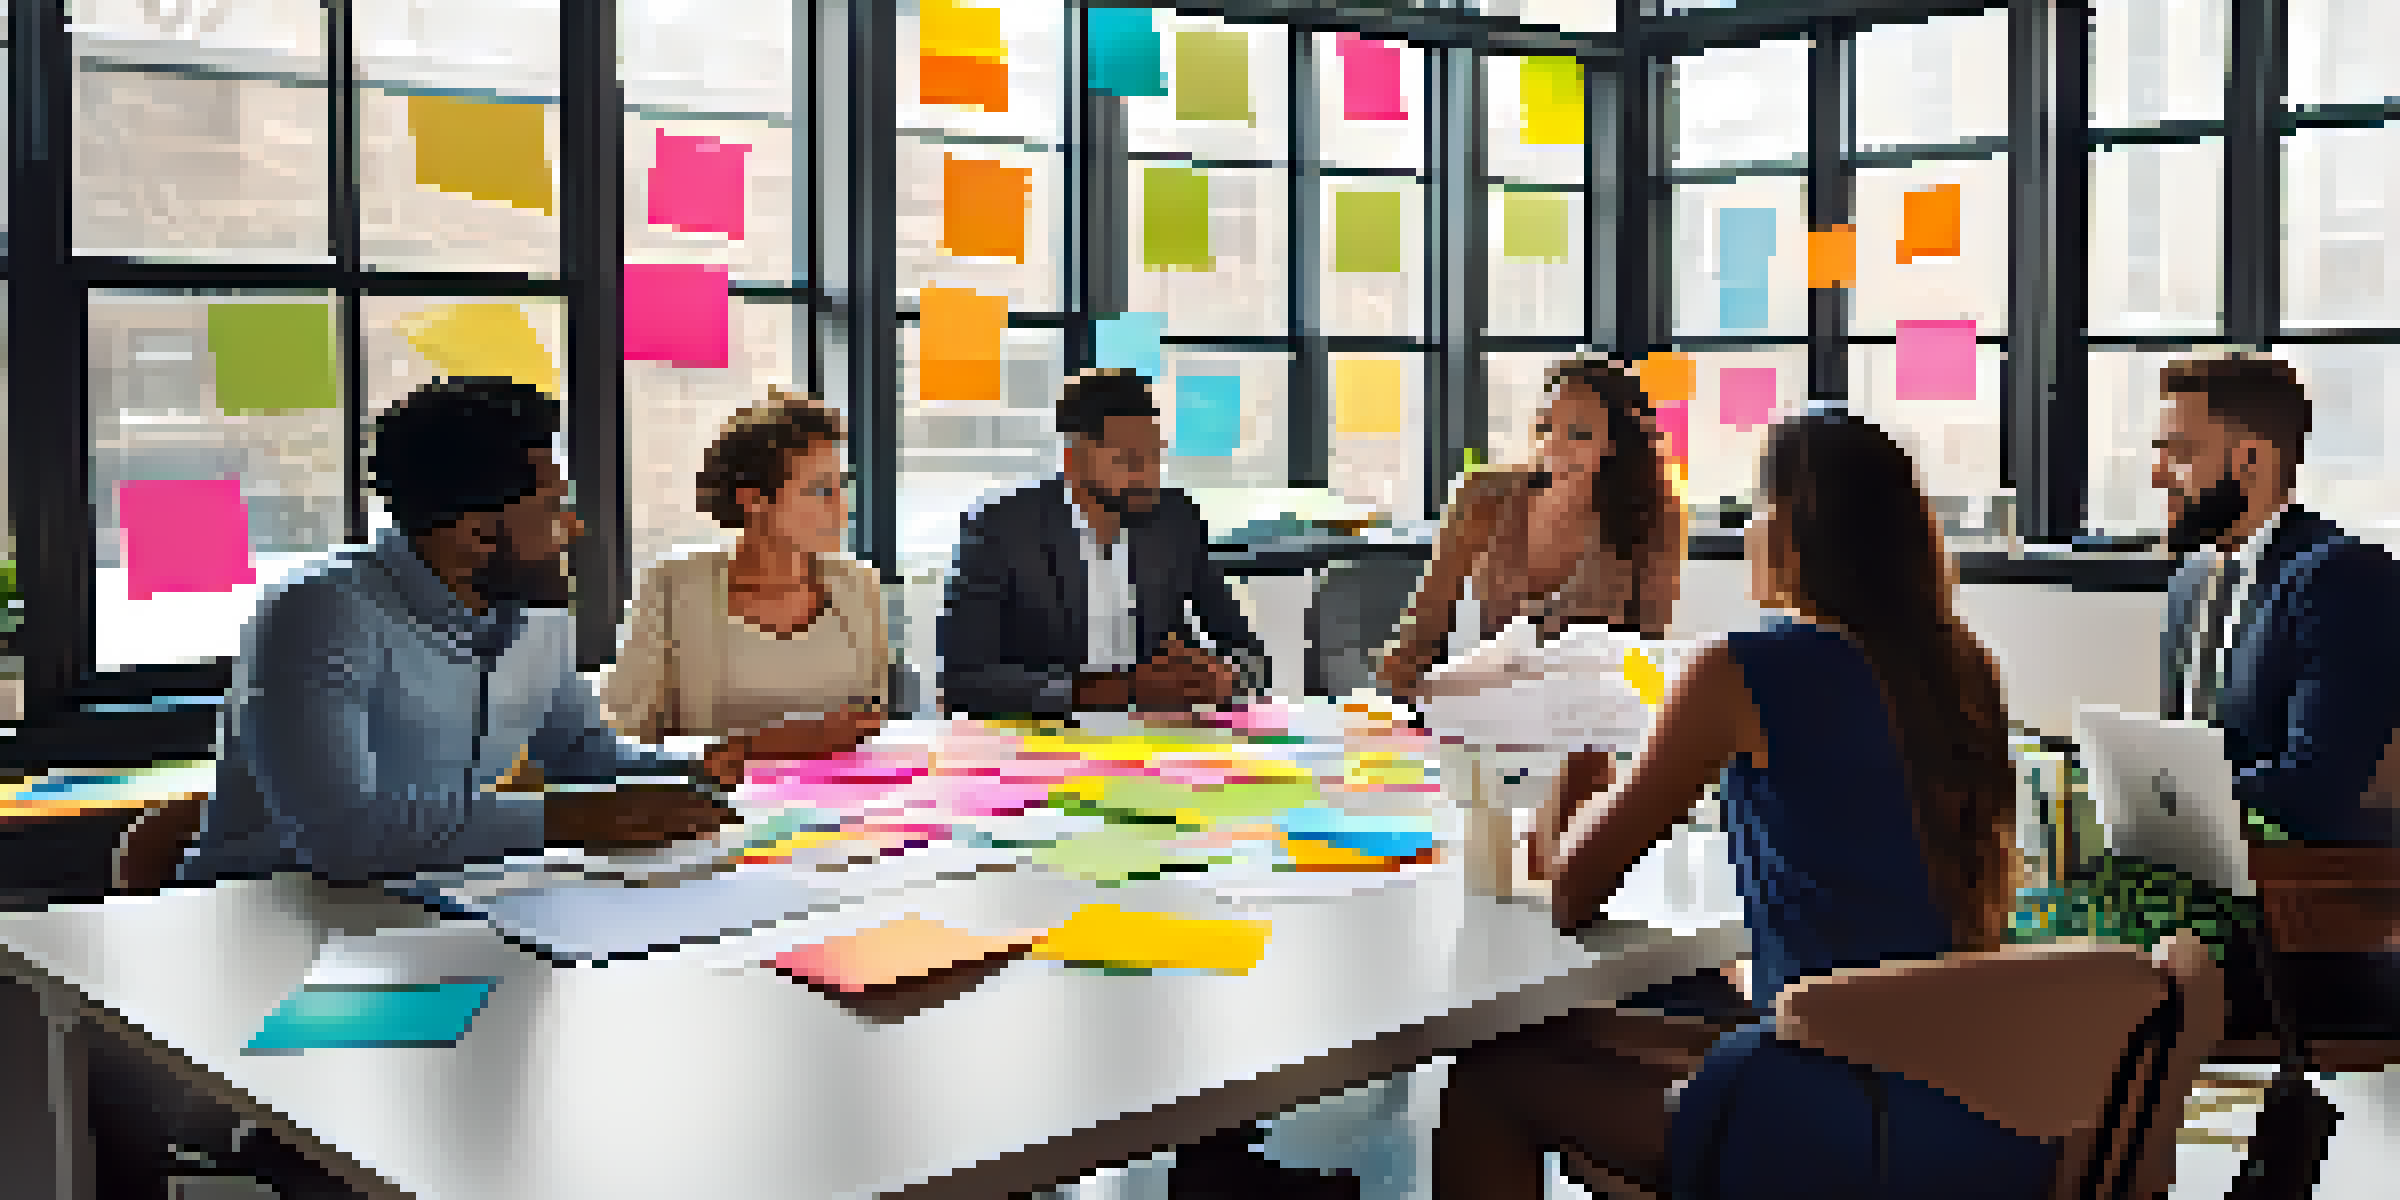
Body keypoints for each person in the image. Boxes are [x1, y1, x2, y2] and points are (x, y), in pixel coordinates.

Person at [1433, 411, 2053, 1200]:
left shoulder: (1742, 669)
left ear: (1794, 531)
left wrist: (1580, 739)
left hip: (1830, 1111)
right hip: (1961, 1095)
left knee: (1492, 1082)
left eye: (1761, 506)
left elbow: (1569, 890)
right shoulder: (1965, 668)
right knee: (1572, 1030)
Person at [177, 378, 729, 884]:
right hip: (259, 915)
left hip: (427, 901)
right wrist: (573, 817)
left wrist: (699, 767)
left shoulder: (531, 606)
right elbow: (344, 837)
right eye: (555, 509)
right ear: (476, 535)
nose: (575, 527)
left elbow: (580, 752)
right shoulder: (320, 613)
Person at [2149, 355, 2400, 1046]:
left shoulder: (2341, 579)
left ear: (2250, 459)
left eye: (2179, 453)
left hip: (2306, 928)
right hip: (2204, 909)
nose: (2157, 474)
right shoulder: (2189, 585)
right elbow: (2184, 751)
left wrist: (2167, 800)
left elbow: (2315, 787)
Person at [1377, 354, 1687, 879]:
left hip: (1587, 744)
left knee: (1558, 880)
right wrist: (1405, 686)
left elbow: (1646, 654)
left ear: (1614, 444)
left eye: (1579, 433)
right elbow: (1416, 639)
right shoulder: (1483, 498)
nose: (1554, 445)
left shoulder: (1652, 517)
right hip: (1492, 729)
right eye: (1545, 426)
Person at [938, 368, 1267, 719]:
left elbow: (1250, 654)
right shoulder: (1002, 527)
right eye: (1127, 460)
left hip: (1162, 739)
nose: (1148, 475)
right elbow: (966, 681)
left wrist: (1226, 679)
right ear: (1073, 460)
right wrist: (1121, 689)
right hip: (1047, 740)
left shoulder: (1175, 520)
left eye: (1155, 457)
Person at [603, 391, 890, 786]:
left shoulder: (859, 586)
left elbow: (872, 724)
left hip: (843, 812)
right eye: (822, 491)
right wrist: (757, 747)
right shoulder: (674, 587)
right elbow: (621, 740)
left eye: (843, 487)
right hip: (713, 812)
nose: (843, 507)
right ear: (754, 500)